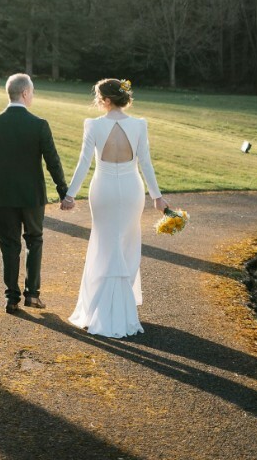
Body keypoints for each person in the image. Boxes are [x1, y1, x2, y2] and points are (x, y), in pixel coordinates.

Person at [63, 78, 169, 338]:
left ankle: (99, 310)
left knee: (104, 244)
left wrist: (70, 195)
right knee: (127, 245)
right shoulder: (139, 125)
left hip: (104, 191)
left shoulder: (93, 126)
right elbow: (146, 163)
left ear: (107, 100)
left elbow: (84, 163)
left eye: (99, 97)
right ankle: (122, 310)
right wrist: (157, 196)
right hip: (133, 191)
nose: (98, 102)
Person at [0, 73, 70, 313]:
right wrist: (63, 192)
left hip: (3, 195)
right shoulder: (39, 124)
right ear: (25, 93)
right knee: (34, 240)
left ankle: (11, 298)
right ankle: (32, 295)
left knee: (9, 244)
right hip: (32, 196)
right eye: (33, 92)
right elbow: (53, 162)